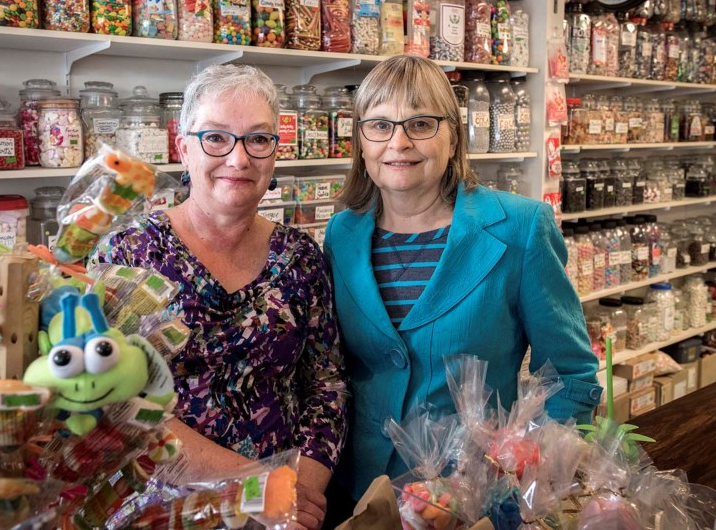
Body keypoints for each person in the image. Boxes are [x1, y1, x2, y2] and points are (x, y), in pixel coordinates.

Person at [323, 55, 601, 514]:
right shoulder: (342, 233)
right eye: (379, 125)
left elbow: (569, 375)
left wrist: (535, 473)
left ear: (453, 135)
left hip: (475, 499)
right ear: (360, 140)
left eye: (421, 124)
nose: (399, 142)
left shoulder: (520, 227)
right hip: (361, 493)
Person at [92, 65, 348, 530]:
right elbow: (110, 399)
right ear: (183, 147)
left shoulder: (300, 256)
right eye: (216, 138)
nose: (238, 158)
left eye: (258, 139)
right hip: (161, 511)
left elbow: (326, 385)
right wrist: (254, 486)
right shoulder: (128, 252)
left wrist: (298, 492)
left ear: (274, 152)